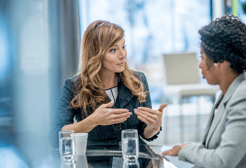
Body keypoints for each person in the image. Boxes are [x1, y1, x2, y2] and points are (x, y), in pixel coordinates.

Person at [162, 15, 246, 168]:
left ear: (220, 60)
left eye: (203, 57)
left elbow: (221, 162)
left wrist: (185, 149)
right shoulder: (227, 95)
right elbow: (211, 151)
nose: (200, 65)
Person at [49, 20, 167, 148]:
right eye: (113, 50)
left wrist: (154, 127)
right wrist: (92, 121)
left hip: (133, 158)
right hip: (94, 161)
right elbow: (56, 137)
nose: (123, 55)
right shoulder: (74, 87)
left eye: (123, 47)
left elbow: (145, 132)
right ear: (96, 54)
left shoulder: (138, 79)